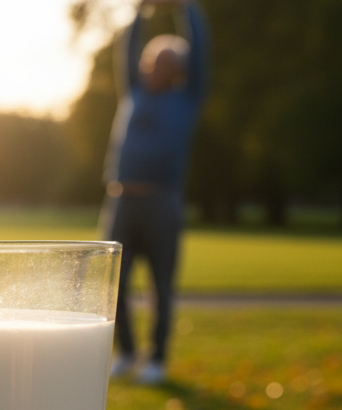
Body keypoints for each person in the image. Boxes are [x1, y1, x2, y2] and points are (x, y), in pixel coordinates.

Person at [103, 0, 210, 385]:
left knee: (161, 287)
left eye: (163, 62)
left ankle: (157, 359)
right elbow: (127, 50)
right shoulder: (133, 91)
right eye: (151, 60)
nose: (152, 66)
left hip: (162, 202)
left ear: (179, 71)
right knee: (113, 284)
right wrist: (141, 11)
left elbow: (201, 51)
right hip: (121, 201)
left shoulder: (188, 98)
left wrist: (186, 8)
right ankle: (127, 352)